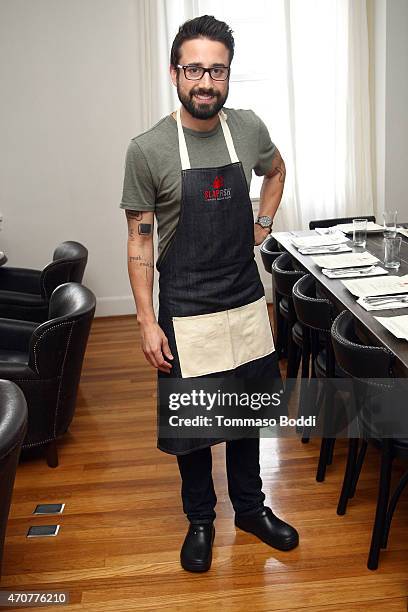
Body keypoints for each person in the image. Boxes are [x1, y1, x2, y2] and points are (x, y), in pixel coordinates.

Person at [120, 14, 299, 573]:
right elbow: (139, 241)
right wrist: (148, 323)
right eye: (194, 68)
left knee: (245, 415)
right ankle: (201, 520)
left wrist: (262, 225)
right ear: (174, 72)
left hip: (245, 299)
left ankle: (251, 509)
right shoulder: (148, 149)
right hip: (186, 308)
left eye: (216, 71)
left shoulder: (247, 129)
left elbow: (276, 170)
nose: (205, 81)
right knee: (195, 428)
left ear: (228, 76)